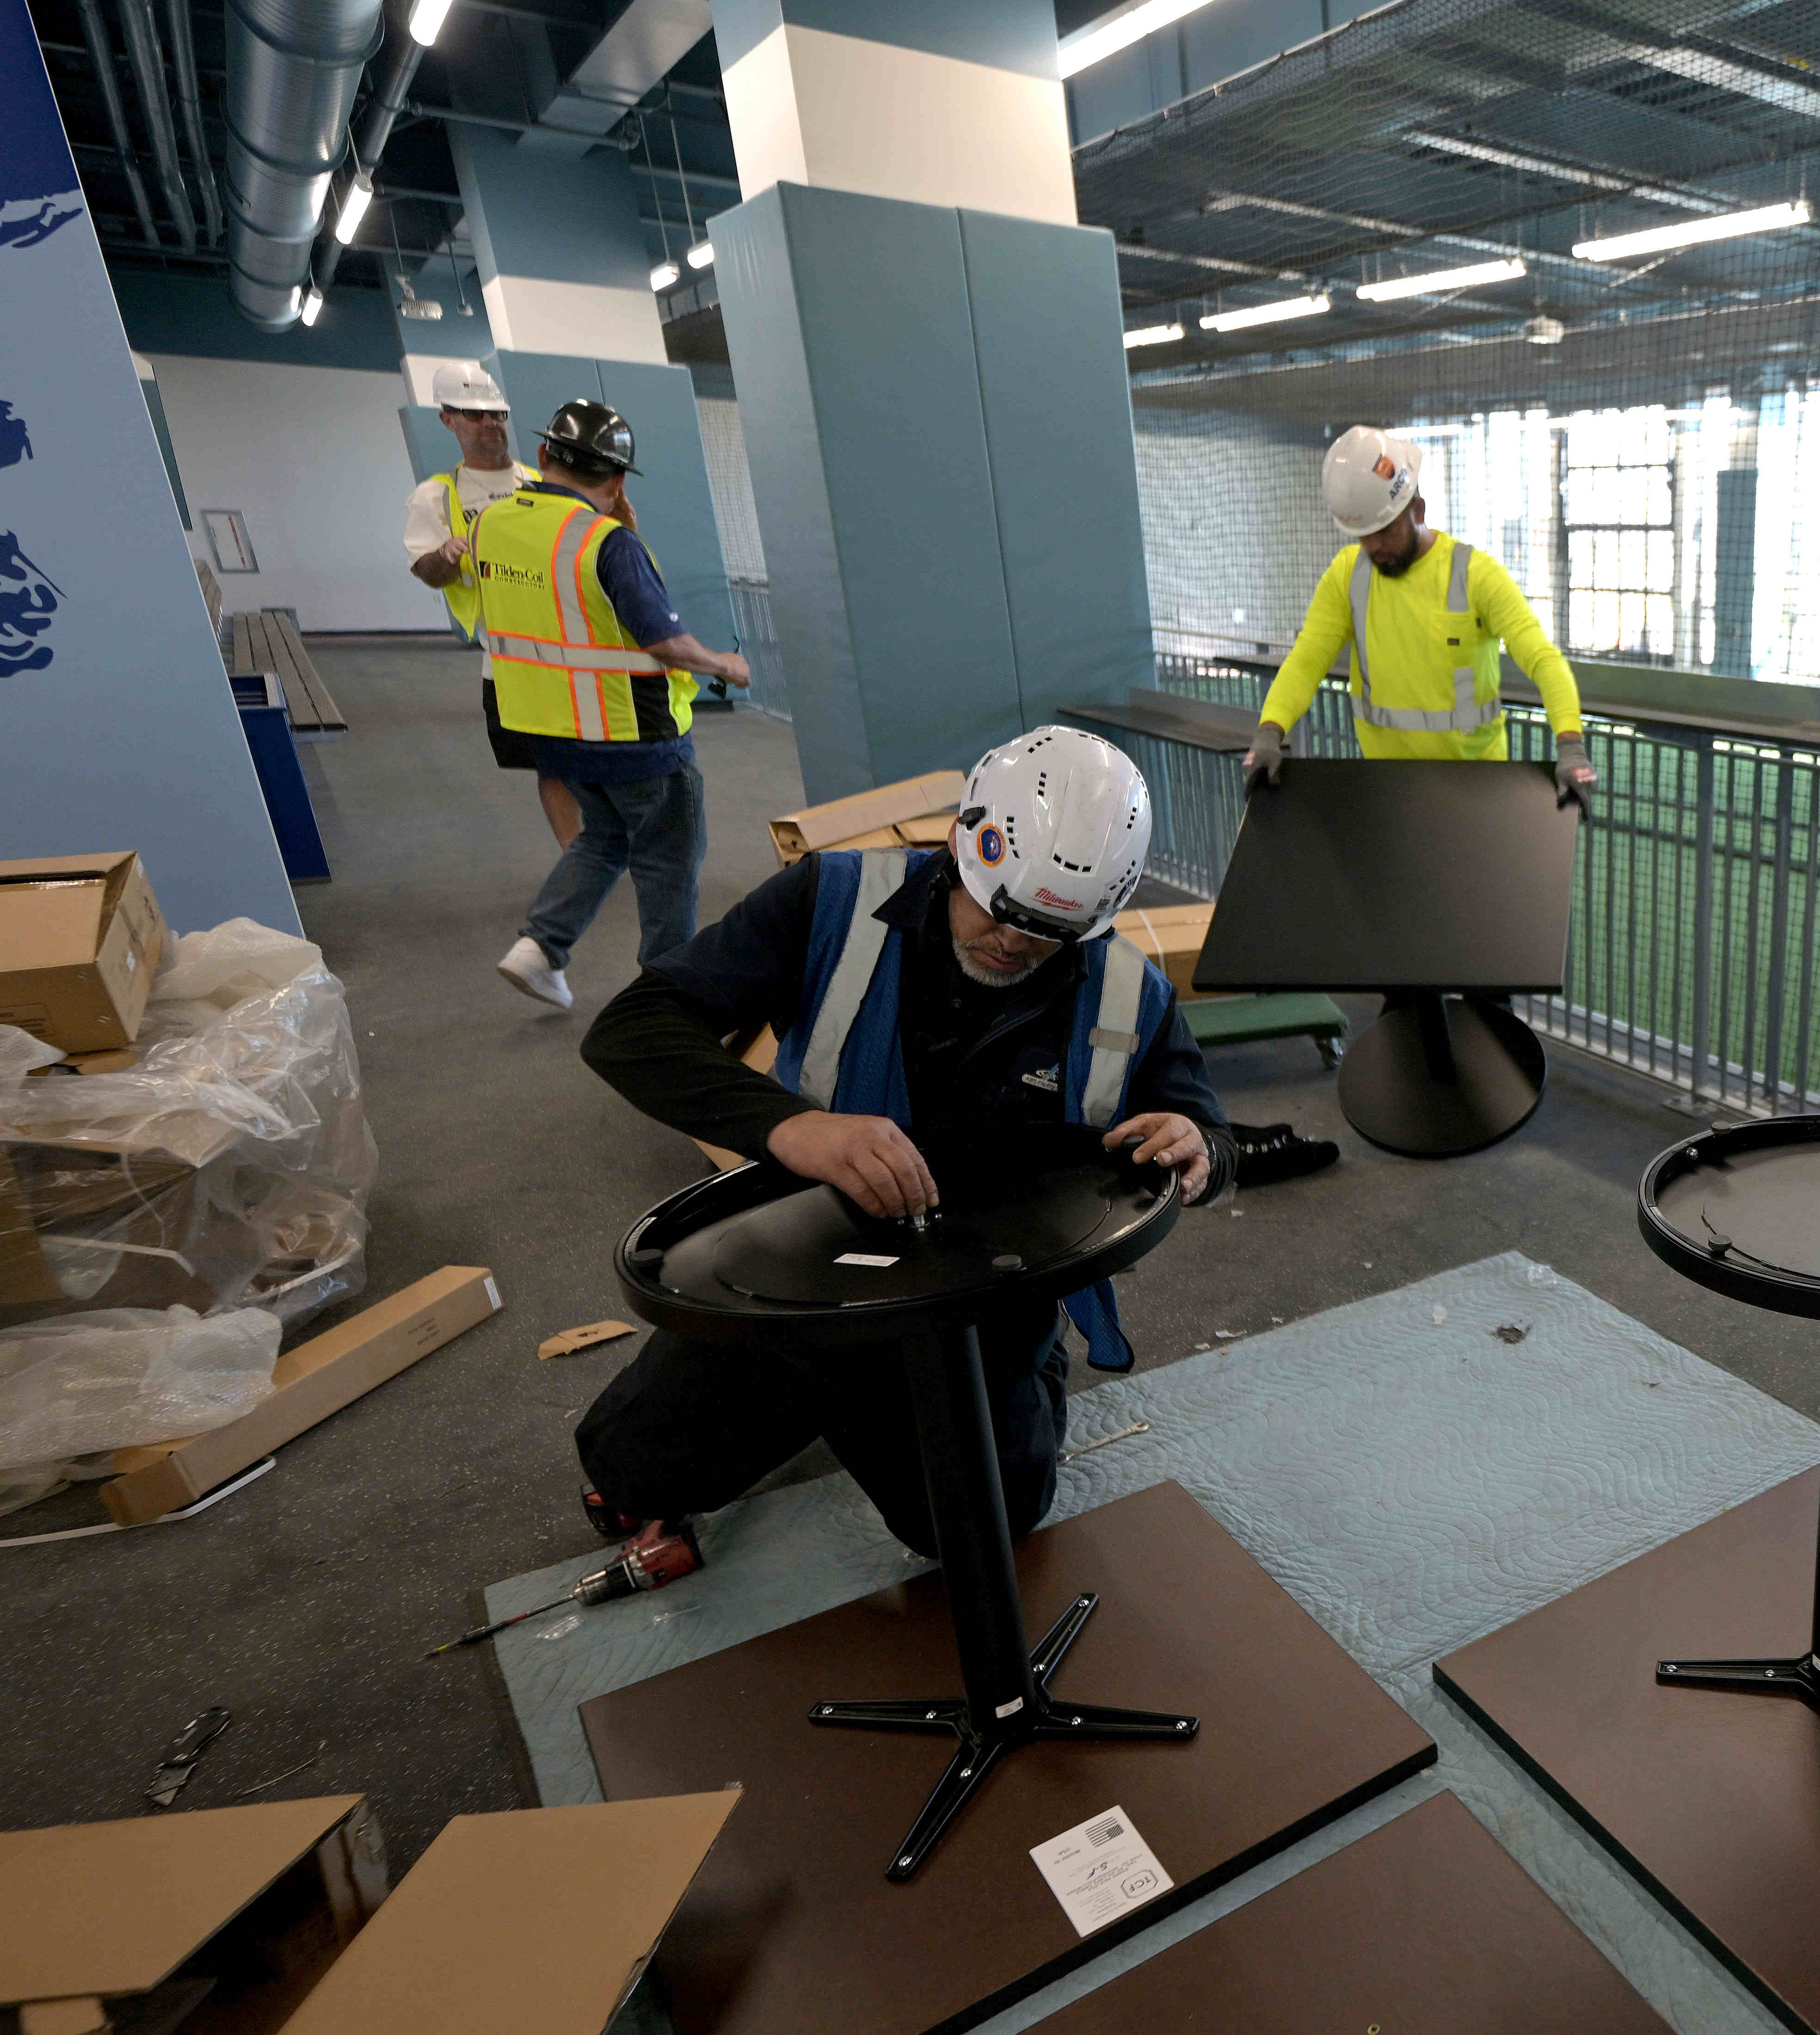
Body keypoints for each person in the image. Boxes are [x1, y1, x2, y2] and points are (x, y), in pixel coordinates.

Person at [571, 725, 1229, 1563]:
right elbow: (631, 1030)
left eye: (1047, 935)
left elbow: (1204, 1131)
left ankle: (903, 1396)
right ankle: (825, 1393)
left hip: (990, 1294)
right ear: (963, 842)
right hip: (816, 1252)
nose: (1013, 945)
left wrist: (1199, 1145)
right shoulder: (831, 899)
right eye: (1000, 912)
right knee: (631, 1473)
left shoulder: (1131, 991)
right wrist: (791, 1126)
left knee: (984, 1525)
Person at [479, 398, 751, 1011]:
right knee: (669, 867)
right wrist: (726, 664)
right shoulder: (607, 544)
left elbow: (566, 610)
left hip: (554, 732)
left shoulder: (490, 525)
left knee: (603, 840)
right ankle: (670, 999)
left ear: (544, 456)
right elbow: (665, 642)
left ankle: (541, 947)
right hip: (635, 738)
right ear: (619, 480)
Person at [1241, 426, 1595, 797]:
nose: (1374, 547)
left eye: (1385, 531)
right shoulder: (1348, 576)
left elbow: (1543, 659)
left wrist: (1570, 747)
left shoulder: (1476, 576)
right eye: (1364, 535)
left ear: (1418, 510)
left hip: (1476, 791)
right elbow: (1307, 660)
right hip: (1389, 791)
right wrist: (1269, 733)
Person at [401, 363, 572, 849]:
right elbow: (428, 572)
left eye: (497, 413)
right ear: (447, 420)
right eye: (476, 415)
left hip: (570, 645)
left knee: (600, 755)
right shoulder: (437, 496)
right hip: (510, 659)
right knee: (550, 763)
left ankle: (601, 846)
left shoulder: (542, 484)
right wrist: (448, 554)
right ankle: (576, 856)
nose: (491, 423)